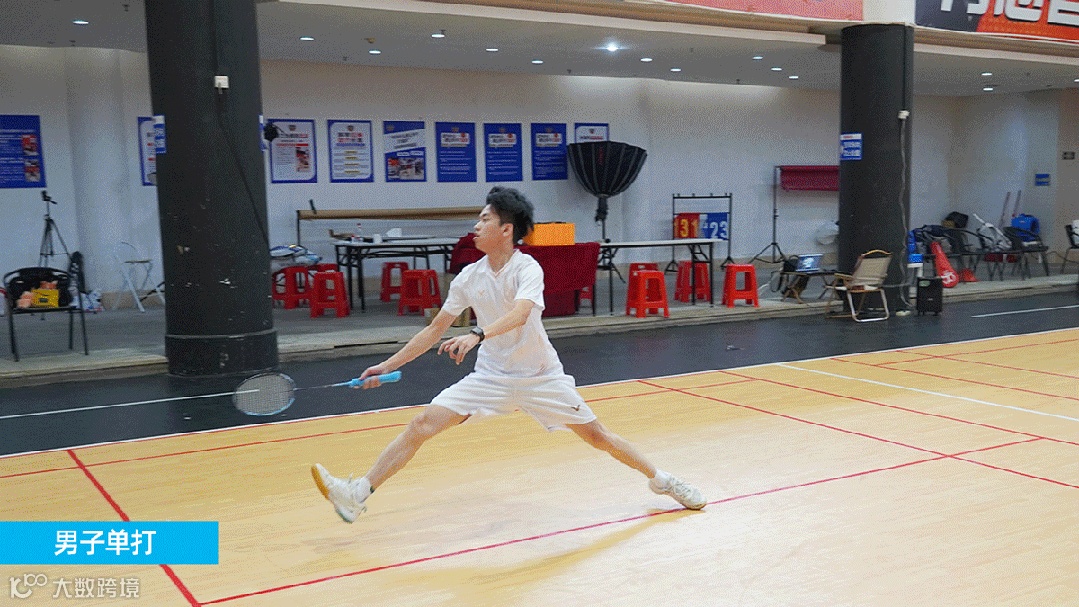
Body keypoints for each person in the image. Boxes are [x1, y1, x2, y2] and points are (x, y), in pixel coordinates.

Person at [312, 187, 705, 522]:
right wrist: (386, 365)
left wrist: (477, 334)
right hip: (491, 377)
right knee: (422, 424)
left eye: (485, 219)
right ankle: (357, 494)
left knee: (598, 436)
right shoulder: (469, 276)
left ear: (506, 229)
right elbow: (434, 330)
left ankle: (663, 480)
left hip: (540, 376)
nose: (476, 226)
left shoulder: (527, 269)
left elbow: (520, 314)